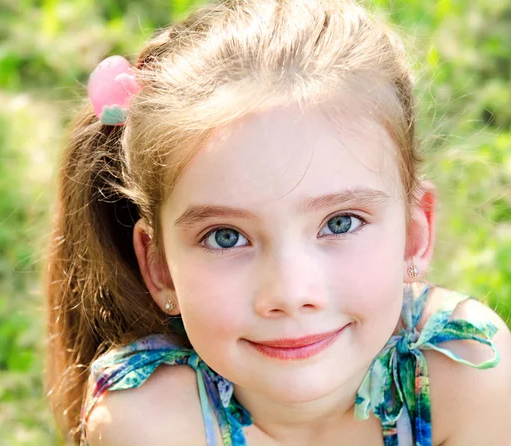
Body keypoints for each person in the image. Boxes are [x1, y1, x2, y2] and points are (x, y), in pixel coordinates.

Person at [44, 0, 511, 445]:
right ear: (160, 266)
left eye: (341, 223)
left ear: (414, 235)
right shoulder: (150, 421)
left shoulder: (468, 371)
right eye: (226, 237)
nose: (290, 294)